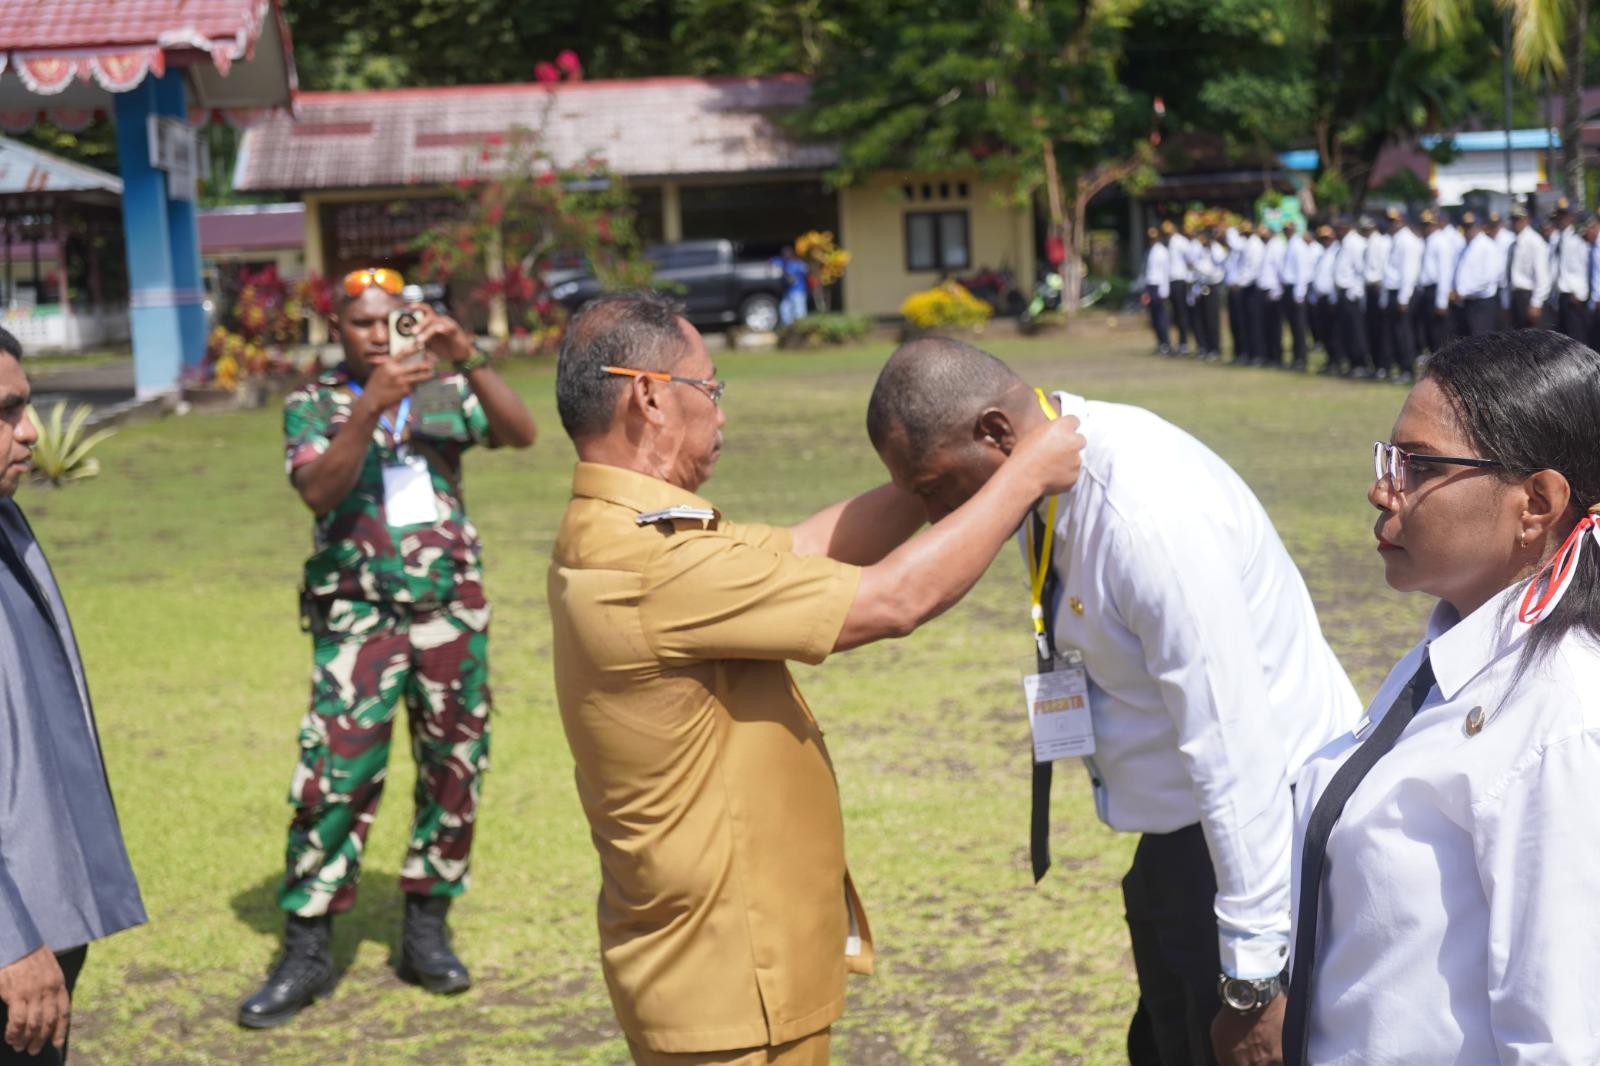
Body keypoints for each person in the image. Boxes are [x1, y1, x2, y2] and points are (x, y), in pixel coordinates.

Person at [547, 292, 1085, 1065]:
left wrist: (940, 471)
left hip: (734, 959)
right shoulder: (648, 563)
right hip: (728, 978)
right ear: (649, 397)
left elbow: (808, 549)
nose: (720, 414)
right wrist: (1024, 473)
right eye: (709, 389)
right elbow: (892, 601)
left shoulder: (628, 533)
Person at [867, 339, 1361, 1066]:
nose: (938, 514)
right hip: (1182, 844)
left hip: (1262, 844)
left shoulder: (1143, 518)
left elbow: (1234, 750)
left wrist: (1255, 979)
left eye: (937, 486)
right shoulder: (1045, 463)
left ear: (998, 434)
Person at [1283, 330, 1600, 1066]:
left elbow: (1565, 1038)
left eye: (1419, 466)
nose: (1382, 489)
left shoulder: (1564, 720)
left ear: (1537, 504)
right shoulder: (1447, 656)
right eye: (1388, 458)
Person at [239, 267, 537, 1028]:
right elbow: (318, 491)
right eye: (362, 322)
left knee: (454, 769)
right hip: (357, 620)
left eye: (391, 320)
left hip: (449, 613)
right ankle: (307, 947)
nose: (378, 334)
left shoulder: (438, 390)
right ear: (337, 327)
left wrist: (468, 356)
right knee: (334, 778)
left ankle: (425, 931)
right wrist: (368, 410)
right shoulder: (315, 404)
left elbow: (520, 432)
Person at [0, 327, 146, 1064]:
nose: (29, 433)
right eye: (5, 412)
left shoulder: (4, 519)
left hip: (40, 915)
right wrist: (9, 938)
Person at [1381, 210, 1424, 384]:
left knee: (1403, 332)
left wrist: (1403, 298)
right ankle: (1399, 366)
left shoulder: (1407, 241)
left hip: (1403, 291)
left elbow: (1409, 272)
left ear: (1402, 221)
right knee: (1395, 332)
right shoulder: (1395, 239)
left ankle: (1407, 368)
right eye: (1389, 220)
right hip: (1394, 291)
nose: (1392, 224)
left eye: (1395, 220)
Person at [1446, 212, 1502, 336]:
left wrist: (1462, 291)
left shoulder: (1487, 246)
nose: (1467, 229)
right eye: (1465, 226)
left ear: (1479, 226)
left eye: (1470, 226)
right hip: (1467, 302)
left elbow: (1488, 277)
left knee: (1481, 342)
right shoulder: (1466, 245)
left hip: (1481, 303)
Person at [1332, 218, 1370, 377]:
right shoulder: (1345, 243)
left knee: (1356, 332)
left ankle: (1360, 363)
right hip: (1344, 292)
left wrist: (1355, 292)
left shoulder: (1355, 243)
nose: (1338, 231)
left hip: (1352, 294)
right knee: (1347, 331)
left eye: (1341, 227)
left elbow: (1360, 270)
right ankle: (1353, 362)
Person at [1549, 200, 1590, 342]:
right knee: (1563, 341)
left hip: (1574, 296)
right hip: (1560, 296)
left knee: (1577, 339)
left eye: (1565, 215)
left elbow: (1583, 267)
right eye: (1560, 215)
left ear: (1571, 217)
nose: (1562, 219)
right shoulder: (1556, 239)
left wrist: (1580, 293)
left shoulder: (1577, 240)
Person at [1507, 205, 1552, 329]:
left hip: (1529, 296)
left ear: (1527, 220)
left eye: (1519, 219)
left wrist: (1536, 303)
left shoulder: (1535, 242)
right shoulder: (1513, 244)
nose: (1516, 223)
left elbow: (1542, 276)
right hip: (1517, 297)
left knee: (1534, 342)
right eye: (1513, 219)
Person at [1283, 223, 1317, 370]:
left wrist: (1299, 293)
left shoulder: (1298, 245)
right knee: (1293, 326)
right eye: (1285, 229)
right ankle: (1297, 357)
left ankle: (1301, 358)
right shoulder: (1290, 244)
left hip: (1297, 289)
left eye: (1289, 229)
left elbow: (1302, 271)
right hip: (1289, 288)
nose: (1287, 231)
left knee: (1299, 325)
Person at [1360, 215, 1391, 376]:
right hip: (1370, 288)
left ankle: (1383, 365)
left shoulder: (1381, 243)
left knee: (1380, 330)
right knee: (1371, 330)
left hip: (1378, 287)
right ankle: (1376, 363)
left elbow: (1384, 269)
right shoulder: (1368, 244)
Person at [1256, 222, 1288, 368]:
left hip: (1273, 291)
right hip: (1263, 290)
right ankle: (1267, 355)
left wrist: (1277, 290)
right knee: (1264, 326)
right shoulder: (1265, 246)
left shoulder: (1278, 246)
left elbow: (1280, 270)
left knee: (1275, 327)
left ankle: (1276, 357)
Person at [1310, 225, 1339, 367]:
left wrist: (1333, 298)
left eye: (1327, 238)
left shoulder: (1336, 253)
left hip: (1331, 298)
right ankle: (1330, 359)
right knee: (1324, 332)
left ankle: (1336, 359)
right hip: (1321, 297)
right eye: (1322, 238)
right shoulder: (1321, 254)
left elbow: (1335, 278)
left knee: (1334, 332)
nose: (1325, 241)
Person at [1141, 227, 1172, 354]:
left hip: (1159, 286)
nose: (1152, 241)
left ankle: (1165, 343)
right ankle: (1160, 342)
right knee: (1153, 316)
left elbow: (1165, 272)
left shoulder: (1162, 251)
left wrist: (1165, 290)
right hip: (1151, 285)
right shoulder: (1149, 251)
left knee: (1161, 316)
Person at [1165, 221, 1195, 355]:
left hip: (1181, 280)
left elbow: (1190, 260)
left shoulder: (1181, 241)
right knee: (1176, 314)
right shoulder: (1171, 242)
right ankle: (1180, 342)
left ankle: (1184, 343)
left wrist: (1189, 278)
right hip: (1173, 280)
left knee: (1182, 313)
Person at [773, 246, 809, 327]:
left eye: (787, 254)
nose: (786, 256)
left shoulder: (799, 264)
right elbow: (773, 261)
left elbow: (805, 272)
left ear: (792, 254)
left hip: (798, 291)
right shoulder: (784, 263)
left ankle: (801, 328)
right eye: (784, 254)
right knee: (785, 309)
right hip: (788, 292)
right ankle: (787, 329)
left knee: (799, 311)